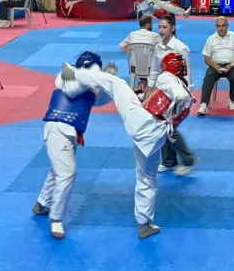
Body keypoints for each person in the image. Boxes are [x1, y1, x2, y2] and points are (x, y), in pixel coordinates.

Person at [61, 51, 190, 239]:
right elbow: (170, 100)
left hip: (142, 123)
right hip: (156, 137)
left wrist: (177, 96)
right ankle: (144, 224)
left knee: (117, 84)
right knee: (147, 178)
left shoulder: (168, 78)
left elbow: (176, 92)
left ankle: (76, 73)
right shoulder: (187, 93)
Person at [33, 51, 114, 239]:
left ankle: (43, 203)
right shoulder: (65, 76)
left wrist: (107, 80)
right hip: (58, 129)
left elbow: (101, 99)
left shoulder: (87, 84)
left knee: (58, 169)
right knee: (67, 172)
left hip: (71, 131)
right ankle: (56, 218)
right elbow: (72, 90)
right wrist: (98, 75)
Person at [146, 14, 197, 176]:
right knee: (163, 126)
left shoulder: (180, 47)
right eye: (159, 27)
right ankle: (169, 161)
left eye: (164, 27)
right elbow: (155, 69)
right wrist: (150, 89)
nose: (161, 30)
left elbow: (188, 72)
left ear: (173, 28)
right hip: (163, 90)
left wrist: (187, 93)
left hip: (178, 92)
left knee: (168, 128)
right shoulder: (158, 47)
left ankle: (187, 160)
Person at [197, 16, 234, 114]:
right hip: (215, 65)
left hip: (232, 65)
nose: (221, 28)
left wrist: (231, 65)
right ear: (215, 27)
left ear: (227, 26)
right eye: (218, 26)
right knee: (208, 77)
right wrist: (214, 66)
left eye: (223, 25)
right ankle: (204, 104)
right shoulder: (211, 39)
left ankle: (231, 99)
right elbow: (207, 58)